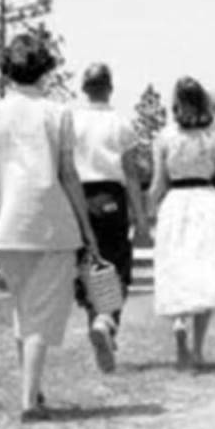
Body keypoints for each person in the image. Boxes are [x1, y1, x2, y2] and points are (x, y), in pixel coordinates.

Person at [0, 34, 101, 422]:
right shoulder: (58, 114)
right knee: (40, 314)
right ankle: (28, 400)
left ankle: (33, 389)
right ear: (44, 71)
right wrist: (86, 227)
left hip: (6, 224)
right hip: (51, 223)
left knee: (24, 310)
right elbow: (69, 175)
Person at [149, 77, 215, 371]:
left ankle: (179, 321)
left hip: (176, 203)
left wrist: (146, 216)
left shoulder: (164, 137)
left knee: (178, 268)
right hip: (207, 201)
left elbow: (157, 184)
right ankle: (198, 350)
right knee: (206, 273)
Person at [71, 63, 148, 373]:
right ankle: (107, 321)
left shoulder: (71, 121)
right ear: (110, 88)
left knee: (87, 266)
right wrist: (141, 218)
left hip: (80, 197)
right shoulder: (121, 124)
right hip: (111, 197)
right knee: (115, 265)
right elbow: (130, 173)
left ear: (84, 88)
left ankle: (97, 323)